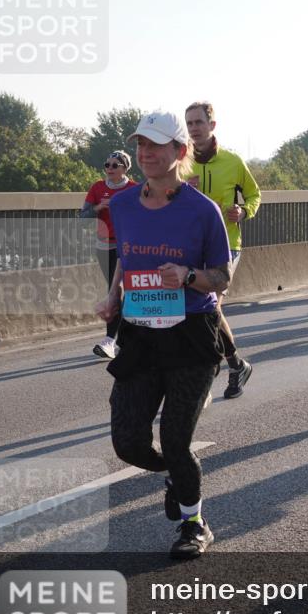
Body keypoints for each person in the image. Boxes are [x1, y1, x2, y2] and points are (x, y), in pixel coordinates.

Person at [95, 111, 231, 558]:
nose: (145, 152)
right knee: (128, 443)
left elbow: (222, 276)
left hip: (191, 334)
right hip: (140, 332)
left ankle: (194, 523)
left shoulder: (203, 210)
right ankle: (176, 472)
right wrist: (113, 296)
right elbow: (126, 257)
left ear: (180, 150)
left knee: (175, 439)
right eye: (141, 144)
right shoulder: (123, 205)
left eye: (155, 144)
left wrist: (188, 275)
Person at [185, 101, 260, 399]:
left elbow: (254, 194)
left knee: (211, 305)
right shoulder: (181, 161)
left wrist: (243, 211)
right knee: (196, 309)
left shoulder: (232, 161)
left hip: (227, 244)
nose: (193, 128)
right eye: (189, 123)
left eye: (198, 122)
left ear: (212, 125)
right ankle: (235, 364)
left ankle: (210, 368)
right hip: (192, 245)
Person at [81, 150, 139, 359]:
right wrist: (99, 207)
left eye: (115, 165)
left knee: (122, 289)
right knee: (116, 290)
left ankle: (111, 340)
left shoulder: (134, 189)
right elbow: (83, 218)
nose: (109, 169)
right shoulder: (97, 187)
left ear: (125, 168)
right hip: (104, 246)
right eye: (107, 165)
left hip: (128, 247)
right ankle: (119, 340)